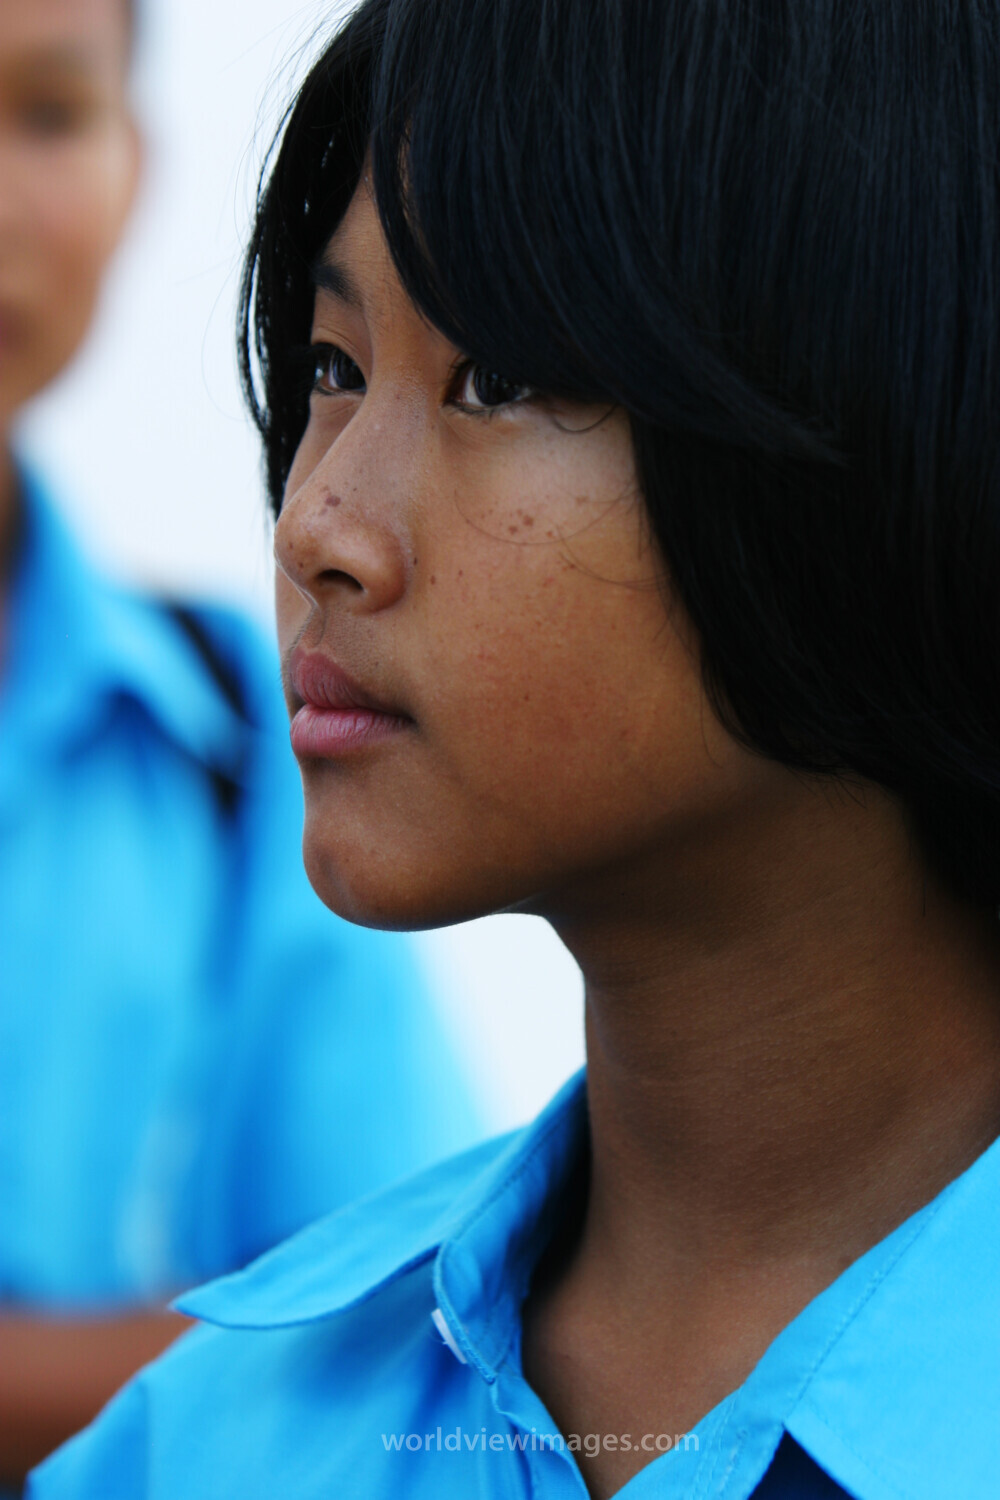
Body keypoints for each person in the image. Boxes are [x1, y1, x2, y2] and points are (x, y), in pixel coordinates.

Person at [27, 0, 1000, 1496]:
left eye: (498, 379)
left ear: (888, 406)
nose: (315, 527)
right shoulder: (206, 1445)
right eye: (333, 369)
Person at [0, 0, 482, 1489]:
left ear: (141, 166)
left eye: (50, 113)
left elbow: (413, 1335)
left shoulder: (239, 747)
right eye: (333, 373)